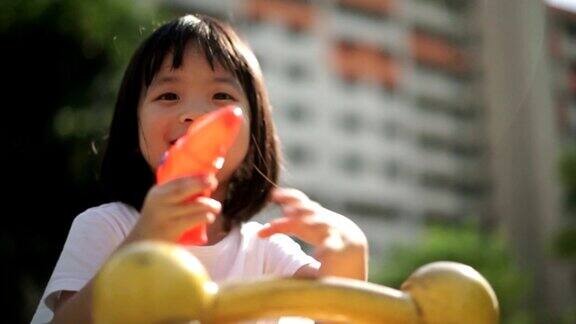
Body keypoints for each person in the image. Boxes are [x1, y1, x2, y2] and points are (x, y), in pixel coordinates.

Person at [31, 14, 368, 324]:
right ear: (133, 130)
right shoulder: (106, 227)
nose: (194, 114)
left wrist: (350, 255)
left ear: (253, 136)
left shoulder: (264, 248)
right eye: (168, 95)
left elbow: (336, 314)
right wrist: (142, 241)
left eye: (221, 95)